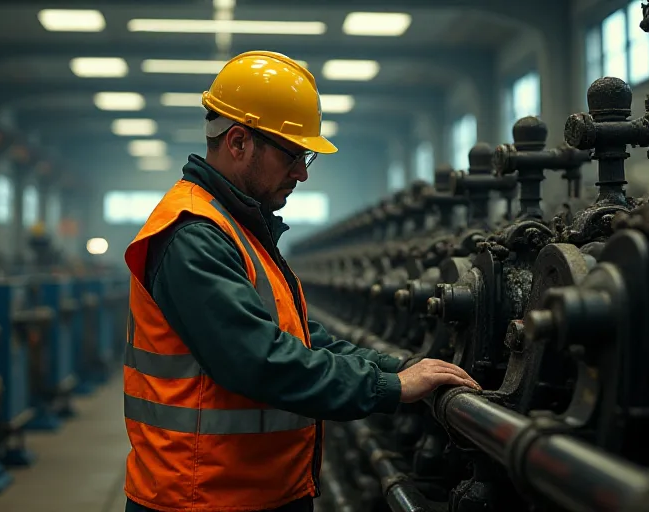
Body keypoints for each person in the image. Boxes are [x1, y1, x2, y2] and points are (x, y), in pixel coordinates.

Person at [122, 50, 479, 512]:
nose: (302, 173)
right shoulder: (193, 234)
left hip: (253, 491)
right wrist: (389, 388)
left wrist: (401, 367)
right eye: (292, 154)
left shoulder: (240, 226)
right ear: (238, 143)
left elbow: (301, 338)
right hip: (203, 497)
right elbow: (259, 360)